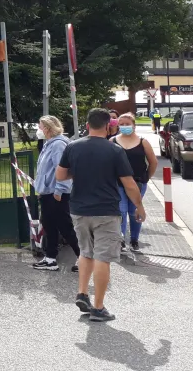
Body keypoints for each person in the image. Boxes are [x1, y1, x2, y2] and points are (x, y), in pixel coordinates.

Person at [57, 108, 146, 322]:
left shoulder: (73, 147)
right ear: (109, 127)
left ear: (87, 125)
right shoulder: (114, 150)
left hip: (79, 210)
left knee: (86, 252)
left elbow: (60, 175)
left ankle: (82, 293)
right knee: (102, 258)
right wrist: (139, 207)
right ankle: (98, 307)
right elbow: (129, 184)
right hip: (106, 211)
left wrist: (77, 173)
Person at [32, 117, 80, 271]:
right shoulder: (49, 144)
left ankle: (84, 257)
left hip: (55, 192)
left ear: (48, 128)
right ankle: (50, 258)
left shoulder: (58, 145)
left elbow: (62, 169)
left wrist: (59, 190)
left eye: (40, 127)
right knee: (49, 224)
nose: (39, 130)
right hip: (48, 192)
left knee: (64, 226)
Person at [113, 112, 158, 252]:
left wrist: (146, 178)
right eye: (122, 124)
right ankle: (120, 241)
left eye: (127, 124)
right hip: (118, 184)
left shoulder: (143, 141)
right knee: (121, 211)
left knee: (134, 211)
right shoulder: (112, 141)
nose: (125, 126)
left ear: (134, 126)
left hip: (138, 183)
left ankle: (134, 240)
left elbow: (153, 162)